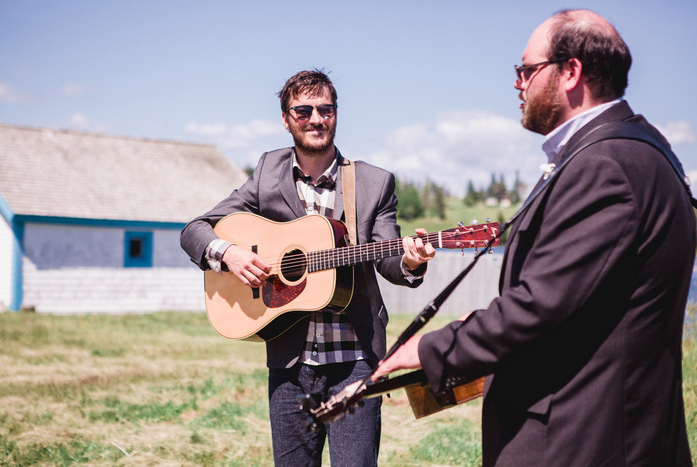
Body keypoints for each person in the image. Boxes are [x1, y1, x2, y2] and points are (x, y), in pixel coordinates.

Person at [373, 9, 695, 466]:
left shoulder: (604, 166)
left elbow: (539, 305)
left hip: (584, 440)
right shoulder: (638, 150)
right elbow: (578, 303)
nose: (517, 83)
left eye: (525, 70)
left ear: (570, 71)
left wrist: (429, 347)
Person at [180, 69, 435, 466]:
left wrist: (410, 259)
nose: (316, 119)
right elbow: (195, 230)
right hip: (290, 365)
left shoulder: (372, 183)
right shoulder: (268, 173)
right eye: (304, 111)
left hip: (354, 363)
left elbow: (388, 255)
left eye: (325, 109)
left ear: (336, 114)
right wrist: (228, 253)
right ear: (286, 119)